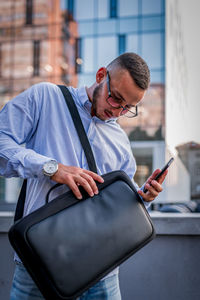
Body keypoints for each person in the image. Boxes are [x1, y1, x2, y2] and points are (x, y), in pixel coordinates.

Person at [0, 52, 167, 300]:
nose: (117, 111)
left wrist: (144, 196)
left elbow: (122, 202)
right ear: (101, 75)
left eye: (127, 108)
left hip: (103, 269)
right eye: (115, 98)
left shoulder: (120, 140)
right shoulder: (45, 97)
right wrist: (51, 167)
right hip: (41, 262)